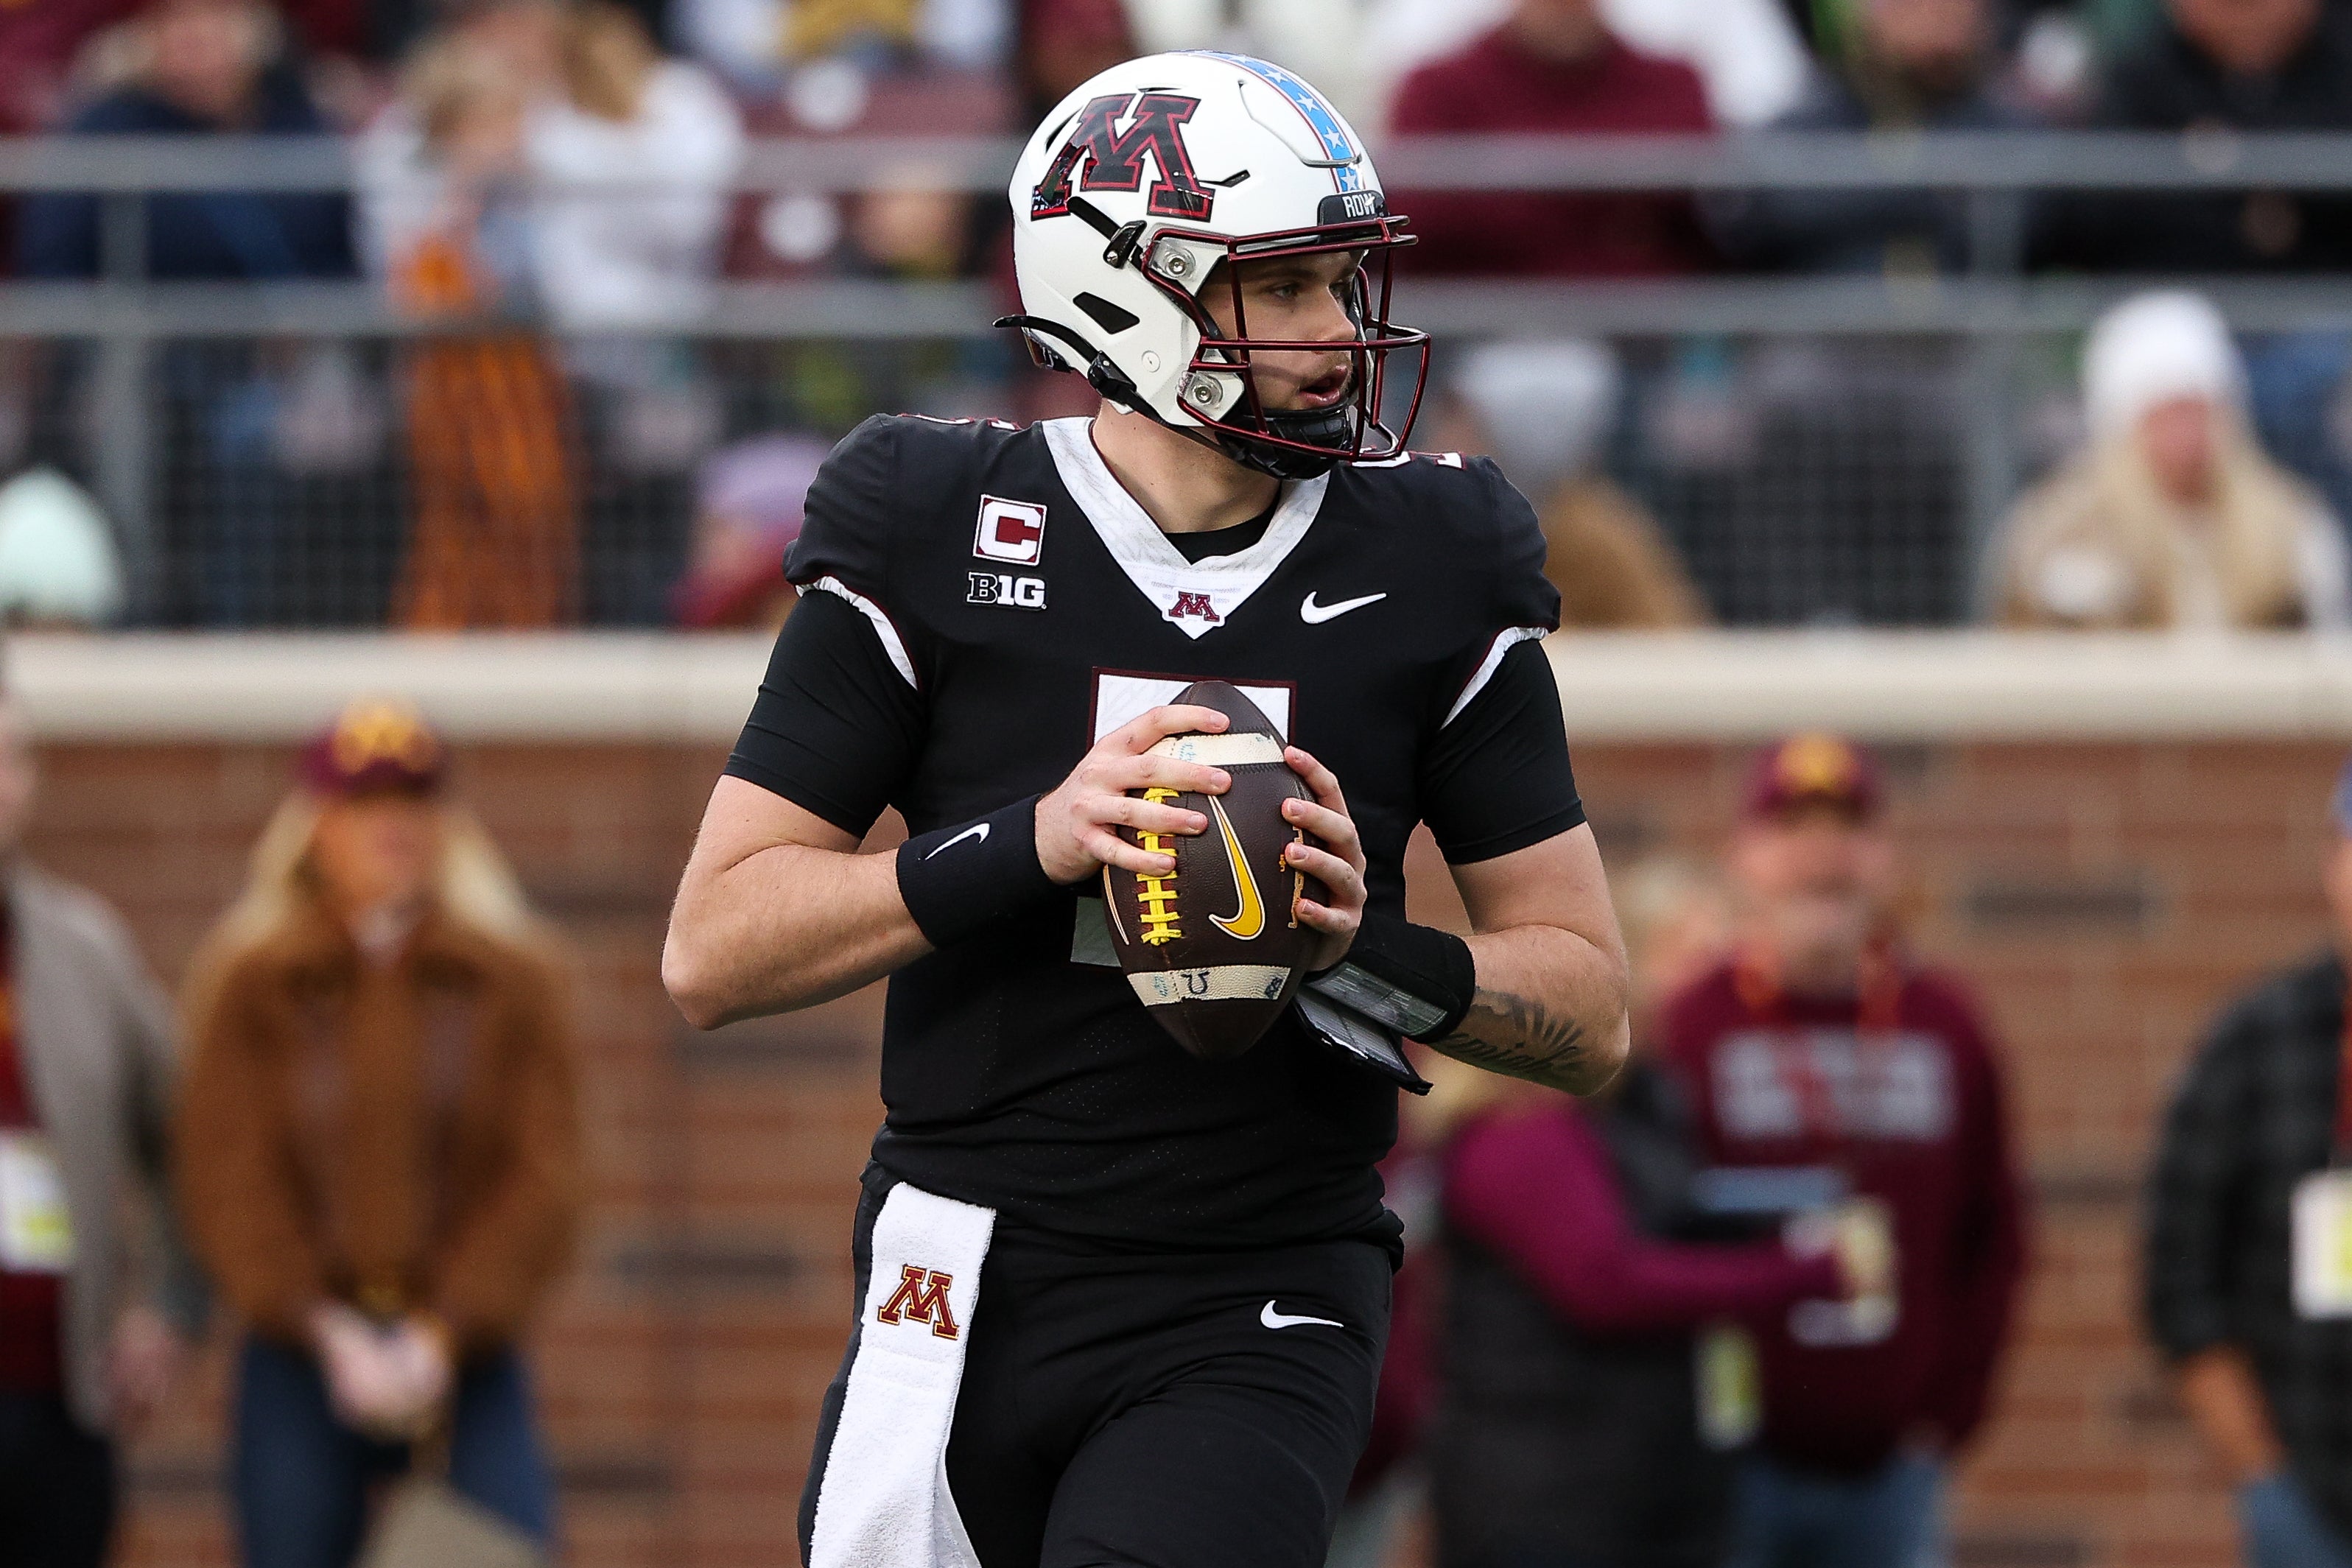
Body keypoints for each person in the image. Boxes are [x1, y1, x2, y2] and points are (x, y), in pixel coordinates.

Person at [662, 49, 1630, 1568]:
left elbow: (1590, 1002)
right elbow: (712, 947)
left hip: (1262, 1276)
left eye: (1345, 281)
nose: (1340, 334)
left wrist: (1358, 944)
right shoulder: (935, 519)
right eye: (1290, 286)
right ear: (1130, 289)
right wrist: (1031, 841)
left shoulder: (1435, 555)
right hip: (960, 1260)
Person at [175, 699, 581, 1568]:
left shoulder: (510, 980)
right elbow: (225, 1171)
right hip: (301, 1356)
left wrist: (443, 1331)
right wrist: (323, 1324)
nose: (391, 828)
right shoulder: (254, 982)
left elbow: (546, 1174)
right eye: (364, 807)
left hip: (465, 1360)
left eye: (412, 804)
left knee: (496, 1547)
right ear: (316, 828)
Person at [1433, 856, 1880, 1568]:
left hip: (1640, 1492)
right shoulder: (1522, 1127)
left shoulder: (1634, 1107)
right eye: (1688, 957)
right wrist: (1797, 1274)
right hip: (1553, 1503)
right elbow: (1606, 1284)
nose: (1709, 983)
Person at [1657, 734, 2026, 1568]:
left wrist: (1946, 1415)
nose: (1821, 858)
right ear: (1744, 858)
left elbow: (1995, 1228)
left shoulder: (1946, 1020)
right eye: (1792, 830)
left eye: (1847, 830)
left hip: (1893, 1469)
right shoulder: (1690, 1024)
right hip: (1726, 1458)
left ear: (1885, 858)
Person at [0, 695, 203, 1568]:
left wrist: (168, 1303)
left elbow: (195, 1139)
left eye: (10, 758)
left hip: (57, 1405)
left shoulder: (82, 948)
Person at [2145, 752, 2352, 1568]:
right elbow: (2178, 1277)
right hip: (2307, 1498)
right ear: (2333, 862)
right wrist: (2261, 1474)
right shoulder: (2255, 1041)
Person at [356, 27, 580, 628]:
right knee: (454, 537)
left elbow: (556, 296)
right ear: (450, 133)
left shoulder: (536, 206)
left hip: (525, 399)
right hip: (455, 400)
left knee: (532, 527)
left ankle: (531, 656)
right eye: (488, 125)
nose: (507, 140)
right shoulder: (425, 210)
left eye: (512, 122)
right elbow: (418, 296)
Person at [1991, 290, 2350, 630]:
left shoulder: (2288, 528)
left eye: (2199, 413)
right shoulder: (2061, 532)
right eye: (2165, 417)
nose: (2187, 435)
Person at [1706, 0, 2042, 275]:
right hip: (1827, 338)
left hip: (1971, 341)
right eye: (1913, 8)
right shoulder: (1812, 117)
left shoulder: (2003, 123)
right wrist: (1932, 191)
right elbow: (1759, 214)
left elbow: (2056, 211)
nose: (1935, 22)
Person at [1386, 0, 1715, 278]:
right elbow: (1416, 220)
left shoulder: (1671, 83)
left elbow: (1704, 211)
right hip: (1475, 324)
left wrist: (1503, 195)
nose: (1562, 7)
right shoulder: (1437, 87)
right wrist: (1615, 212)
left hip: (1646, 329)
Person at [2060, 0, 2352, 271]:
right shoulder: (2138, 83)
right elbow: (2093, 214)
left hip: (2324, 300)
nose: (2246, 13)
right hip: (2173, 290)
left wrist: (2226, 167)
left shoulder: (2339, 77)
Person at [1439, 339, 1709, 629]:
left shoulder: (1586, 530)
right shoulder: (1455, 518)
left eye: (1466, 425)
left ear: (1522, 436)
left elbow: (1673, 634)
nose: (1441, 439)